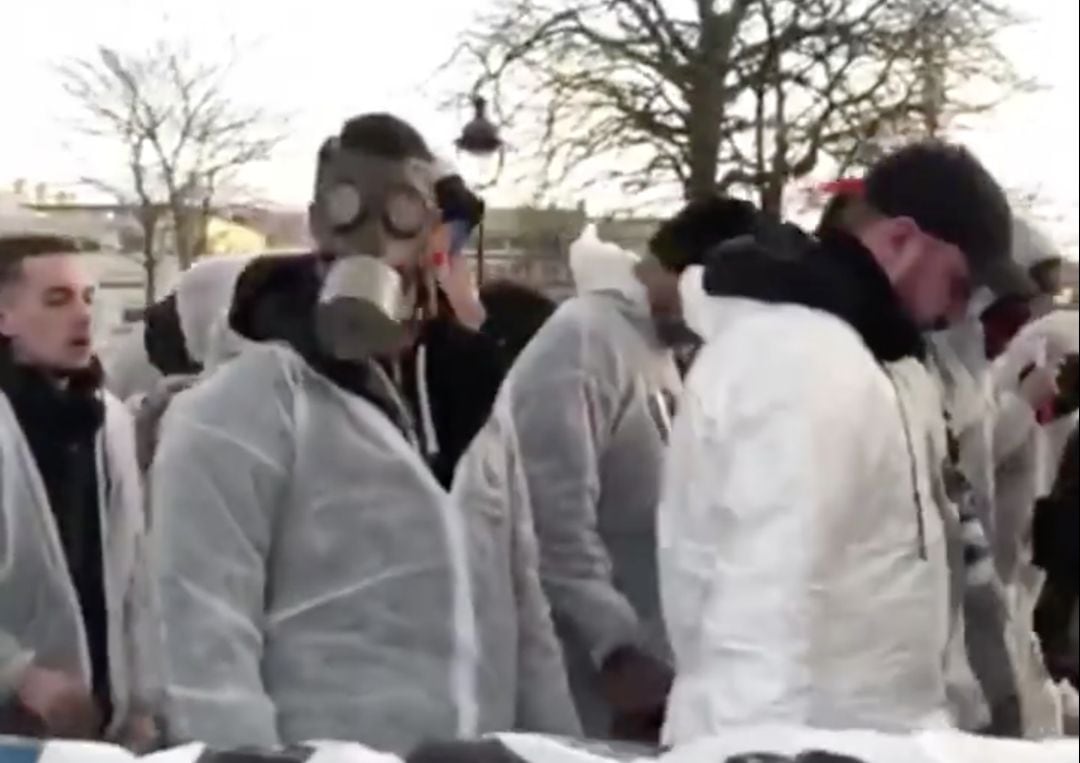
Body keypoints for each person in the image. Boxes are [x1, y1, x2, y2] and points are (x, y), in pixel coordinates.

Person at [659, 141, 1028, 745]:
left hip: (867, 738)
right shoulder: (799, 358)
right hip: (797, 741)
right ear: (902, 241)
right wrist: (754, 752)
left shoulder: (881, 361)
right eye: (958, 284)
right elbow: (759, 613)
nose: (956, 313)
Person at [150, 114, 478, 754]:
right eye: (348, 207)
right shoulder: (237, 411)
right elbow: (200, 641)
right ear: (317, 221)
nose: (375, 237)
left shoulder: (467, 396)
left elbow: (515, 602)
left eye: (403, 212)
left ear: (434, 234)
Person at [484, 202, 763, 742]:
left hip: (652, 679)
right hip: (590, 686)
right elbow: (547, 515)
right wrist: (615, 648)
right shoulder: (582, 341)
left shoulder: (659, 353)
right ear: (691, 276)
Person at [0, 233, 161, 750]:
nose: (83, 315)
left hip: (94, 729)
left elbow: (132, 567)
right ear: (4, 317)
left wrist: (139, 703)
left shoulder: (106, 420)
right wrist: (18, 674)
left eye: (88, 297)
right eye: (57, 299)